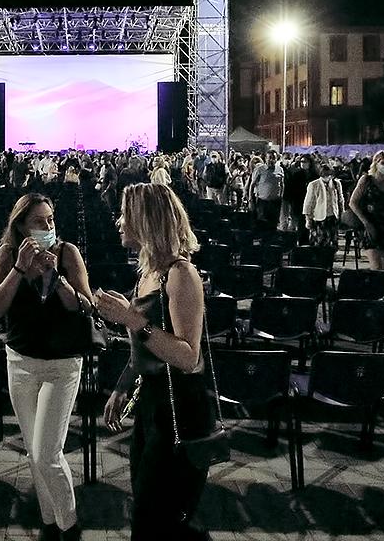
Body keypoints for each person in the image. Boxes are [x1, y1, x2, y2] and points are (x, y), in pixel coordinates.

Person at [95, 183, 213, 541]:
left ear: (146, 221)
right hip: (153, 405)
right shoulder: (149, 273)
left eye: (125, 215)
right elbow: (143, 348)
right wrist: (121, 385)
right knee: (150, 508)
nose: (118, 222)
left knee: (156, 516)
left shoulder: (180, 274)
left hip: (180, 406)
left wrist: (132, 320)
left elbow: (187, 357)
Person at [0, 194, 92, 541]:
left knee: (48, 453)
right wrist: (19, 268)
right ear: (21, 226)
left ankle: (68, 524)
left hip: (62, 365)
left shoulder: (67, 252)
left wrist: (56, 277)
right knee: (34, 452)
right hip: (21, 362)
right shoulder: (7, 255)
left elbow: (85, 306)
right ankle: (49, 522)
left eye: (51, 219)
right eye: (39, 221)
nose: (48, 227)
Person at [349, 150, 384, 271]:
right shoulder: (367, 180)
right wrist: (366, 223)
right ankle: (374, 289)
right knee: (376, 266)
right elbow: (353, 202)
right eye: (383, 163)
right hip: (369, 224)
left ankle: (380, 289)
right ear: (376, 164)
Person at [302, 164, 344, 248]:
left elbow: (340, 199)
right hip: (319, 218)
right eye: (325, 174)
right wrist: (308, 218)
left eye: (329, 174)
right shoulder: (313, 184)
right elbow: (308, 203)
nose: (327, 177)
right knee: (319, 243)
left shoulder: (336, 184)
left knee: (332, 243)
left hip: (333, 217)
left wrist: (342, 214)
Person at [250, 151, 284, 228]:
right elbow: (252, 185)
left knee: (273, 224)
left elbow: (282, 184)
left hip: (275, 203)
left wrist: (281, 196)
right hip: (263, 202)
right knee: (262, 224)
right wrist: (250, 200)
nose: (271, 160)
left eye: (273, 158)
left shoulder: (280, 169)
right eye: (270, 158)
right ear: (266, 159)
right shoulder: (260, 169)